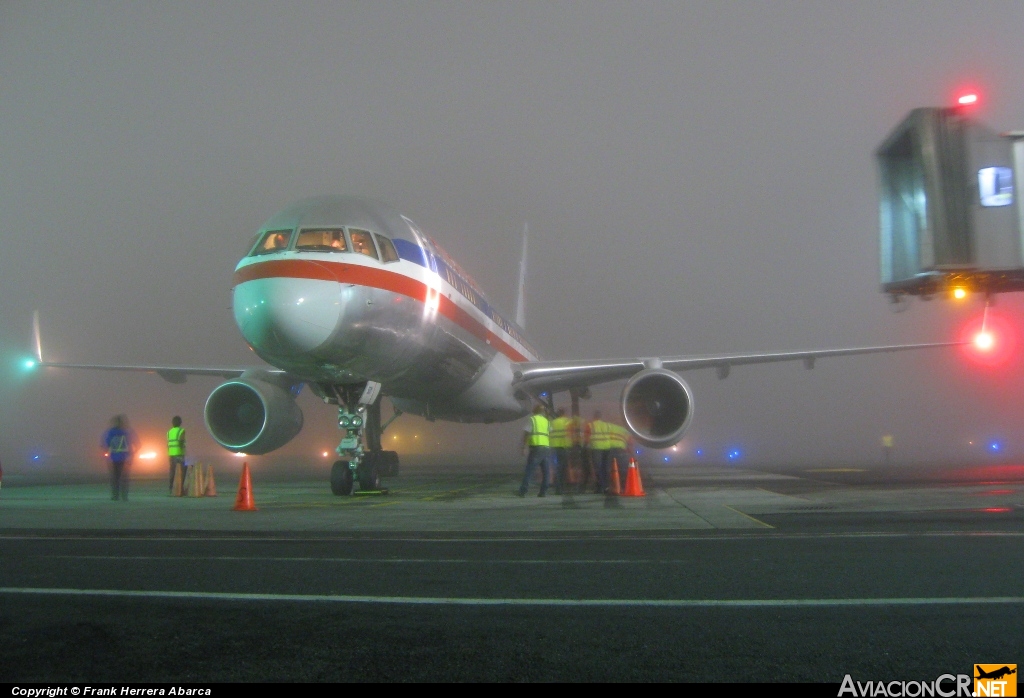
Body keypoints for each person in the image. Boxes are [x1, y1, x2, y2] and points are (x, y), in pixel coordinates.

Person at [518, 404, 551, 498]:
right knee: (546, 472)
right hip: (546, 448)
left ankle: (523, 491)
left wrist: (523, 447)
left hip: (536, 448)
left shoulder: (532, 419)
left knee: (529, 470)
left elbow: (526, 433)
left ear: (534, 411)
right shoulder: (546, 421)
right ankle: (543, 492)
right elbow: (549, 432)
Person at [102, 415, 136, 501]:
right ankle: (124, 496)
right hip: (125, 458)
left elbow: (105, 445)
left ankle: (115, 495)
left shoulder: (110, 433)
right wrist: (132, 454)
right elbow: (135, 444)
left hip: (113, 458)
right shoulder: (127, 432)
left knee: (115, 478)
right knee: (124, 478)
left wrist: (107, 453)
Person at [588, 410, 612, 493]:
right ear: (600, 417)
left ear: (594, 417)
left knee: (598, 468)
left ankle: (600, 487)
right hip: (607, 448)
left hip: (597, 448)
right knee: (605, 468)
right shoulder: (607, 425)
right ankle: (606, 486)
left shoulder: (591, 425)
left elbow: (587, 436)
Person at [549, 408, 572, 494]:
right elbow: (570, 434)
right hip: (564, 447)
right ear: (564, 413)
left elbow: (550, 433)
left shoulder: (553, 422)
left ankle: (557, 488)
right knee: (564, 468)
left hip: (555, 447)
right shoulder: (568, 422)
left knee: (557, 468)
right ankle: (562, 487)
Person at [167, 416, 186, 492]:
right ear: (180, 423)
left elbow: (168, 444)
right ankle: (180, 488)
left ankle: (171, 487)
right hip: (179, 454)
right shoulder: (181, 431)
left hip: (171, 454)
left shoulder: (169, 432)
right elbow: (181, 441)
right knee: (181, 471)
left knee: (172, 471)